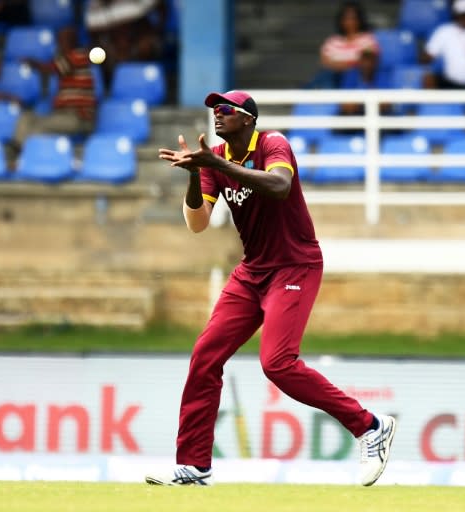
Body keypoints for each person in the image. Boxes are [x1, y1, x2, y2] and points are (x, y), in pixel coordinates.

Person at [144, 90, 397, 487]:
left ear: (247, 119)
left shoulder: (272, 143)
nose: (217, 116)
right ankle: (194, 465)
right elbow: (197, 223)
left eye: (226, 110)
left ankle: (369, 426)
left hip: (295, 265)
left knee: (276, 363)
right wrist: (197, 175)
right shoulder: (214, 160)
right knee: (204, 356)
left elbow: (279, 186)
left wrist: (214, 163)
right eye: (214, 110)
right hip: (252, 272)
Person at [12, 26, 97, 148]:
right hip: (62, 116)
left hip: (78, 117)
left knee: (38, 129)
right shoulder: (66, 58)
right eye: (59, 40)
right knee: (26, 118)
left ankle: (26, 156)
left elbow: (50, 69)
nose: (60, 43)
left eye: (64, 40)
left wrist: (32, 62)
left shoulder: (79, 55)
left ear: (73, 41)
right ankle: (19, 152)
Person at [307, 1, 379, 89]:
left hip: (354, 77)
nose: (350, 21)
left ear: (359, 19)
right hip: (332, 75)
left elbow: (367, 61)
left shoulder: (367, 39)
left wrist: (339, 65)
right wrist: (349, 63)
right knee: (324, 76)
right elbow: (324, 62)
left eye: (353, 18)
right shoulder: (333, 41)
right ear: (341, 20)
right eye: (346, 18)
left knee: (342, 76)